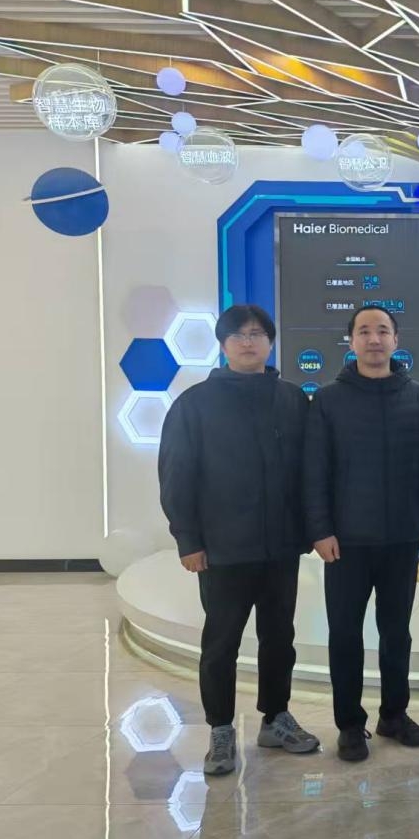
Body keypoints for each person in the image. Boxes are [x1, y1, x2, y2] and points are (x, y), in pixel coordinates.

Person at [158, 304, 319, 777]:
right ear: (223, 344)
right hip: (223, 549)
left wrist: (309, 530)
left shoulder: (293, 399)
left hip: (280, 547)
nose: (249, 342)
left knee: (279, 638)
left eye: (257, 334)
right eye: (239, 335)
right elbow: (176, 476)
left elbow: (309, 472)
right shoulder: (195, 404)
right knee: (221, 642)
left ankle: (276, 718)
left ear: (270, 342)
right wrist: (188, 539)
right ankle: (221, 730)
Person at [305, 304, 419, 763]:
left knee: (396, 633)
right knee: (345, 635)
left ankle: (394, 715)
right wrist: (320, 530)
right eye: (364, 331)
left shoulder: (416, 396)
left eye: (383, 330)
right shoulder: (328, 400)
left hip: (401, 539)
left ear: (396, 340)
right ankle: (349, 724)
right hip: (346, 542)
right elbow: (314, 471)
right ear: (352, 341)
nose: (374, 339)